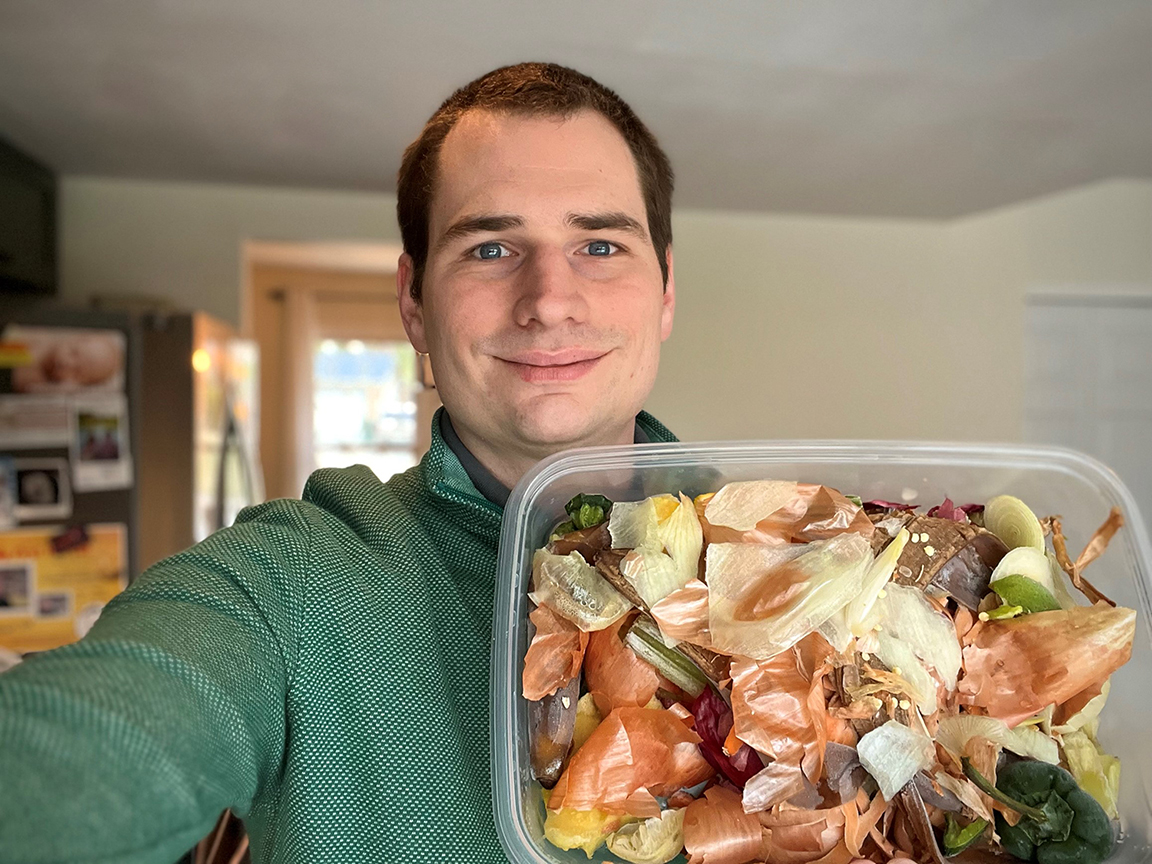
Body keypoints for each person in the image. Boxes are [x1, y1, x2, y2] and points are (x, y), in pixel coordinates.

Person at [0, 63, 678, 863]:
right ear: (415, 307)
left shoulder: (807, 548)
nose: (549, 298)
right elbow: (101, 743)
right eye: (491, 247)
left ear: (666, 293)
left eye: (599, 243)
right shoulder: (286, 584)